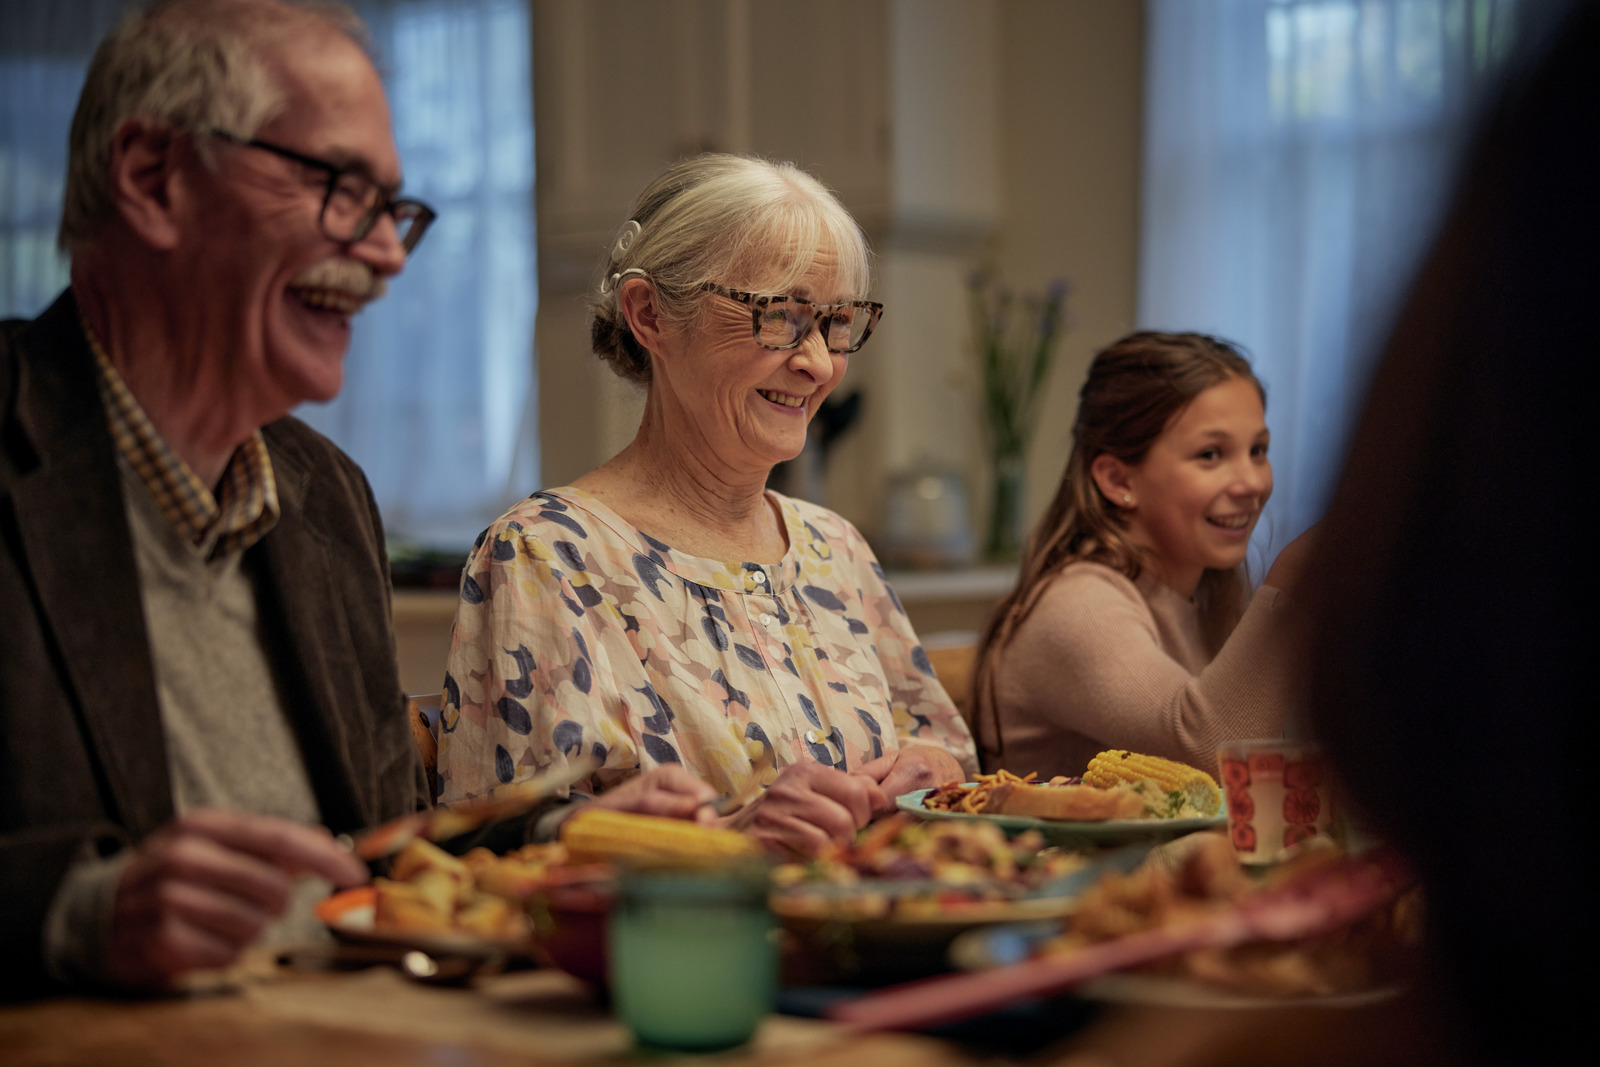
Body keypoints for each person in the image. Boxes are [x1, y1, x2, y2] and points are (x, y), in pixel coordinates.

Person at [437, 154, 979, 856]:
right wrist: (730, 840)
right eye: (780, 317)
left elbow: (945, 751)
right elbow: (502, 856)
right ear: (650, 315)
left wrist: (928, 770)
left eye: (837, 322)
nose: (818, 361)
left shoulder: (834, 547)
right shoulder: (549, 556)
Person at [972, 332, 1314, 779]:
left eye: (1258, 451)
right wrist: (1293, 581)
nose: (1252, 483)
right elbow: (1210, 755)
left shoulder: (1211, 593)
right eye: (1211, 454)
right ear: (1118, 480)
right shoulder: (1078, 602)